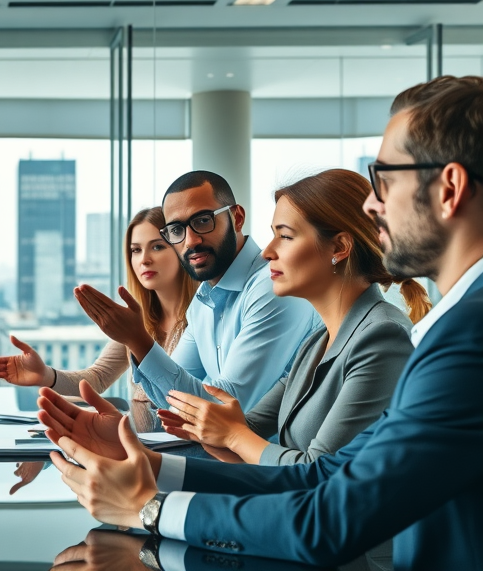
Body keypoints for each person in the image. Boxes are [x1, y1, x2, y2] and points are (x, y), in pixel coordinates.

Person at [39, 75, 483, 569]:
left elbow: (328, 516)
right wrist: (149, 465)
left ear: (449, 189)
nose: (371, 204)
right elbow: (319, 478)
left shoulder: (465, 336)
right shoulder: (428, 331)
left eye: (385, 181)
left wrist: (151, 507)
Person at [158, 169, 429, 466]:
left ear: (338, 248)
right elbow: (244, 434)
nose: (267, 252)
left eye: (285, 236)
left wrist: (233, 435)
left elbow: (319, 472)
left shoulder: (382, 337)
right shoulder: (315, 344)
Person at [74, 171, 320, 413]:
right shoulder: (203, 300)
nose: (190, 241)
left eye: (203, 221)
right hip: (222, 450)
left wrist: (138, 340)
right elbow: (170, 398)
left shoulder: (272, 286)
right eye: (176, 230)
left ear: (237, 218)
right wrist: (135, 341)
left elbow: (227, 404)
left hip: (271, 452)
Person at [0, 207, 198, 402]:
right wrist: (45, 375)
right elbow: (97, 378)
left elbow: (197, 397)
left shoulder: (201, 319)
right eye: (135, 250)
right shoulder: (139, 321)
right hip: (145, 439)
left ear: (182, 251)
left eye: (158, 246)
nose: (144, 259)